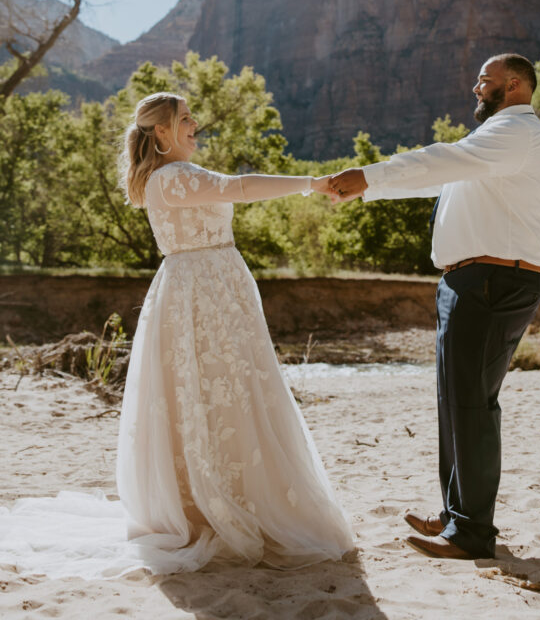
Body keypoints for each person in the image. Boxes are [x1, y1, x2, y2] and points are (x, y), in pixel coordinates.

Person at [0, 92, 353, 577]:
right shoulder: (171, 177)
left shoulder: (174, 176)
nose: (194, 126)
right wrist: (312, 183)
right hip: (201, 296)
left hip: (213, 290)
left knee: (225, 392)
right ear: (161, 132)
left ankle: (233, 495)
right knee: (213, 391)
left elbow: (233, 188)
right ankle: (214, 505)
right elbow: (241, 187)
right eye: (185, 119)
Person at [326, 53, 540, 561]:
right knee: (455, 400)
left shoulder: (514, 132)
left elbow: (441, 160)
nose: (476, 88)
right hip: (472, 282)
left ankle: (473, 533)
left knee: (471, 404)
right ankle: (457, 515)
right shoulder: (494, 142)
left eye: (485, 81)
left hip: (494, 281)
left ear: (514, 84)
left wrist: (368, 174)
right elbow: (439, 178)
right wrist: (370, 187)